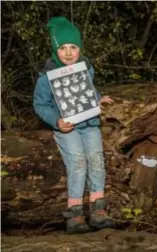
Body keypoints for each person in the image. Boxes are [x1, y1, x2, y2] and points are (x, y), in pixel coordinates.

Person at [33, 16, 115, 234]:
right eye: (63, 48)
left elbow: (87, 91)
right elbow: (40, 105)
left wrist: (97, 99)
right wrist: (56, 121)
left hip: (89, 125)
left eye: (73, 47)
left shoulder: (86, 68)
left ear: (80, 48)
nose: (68, 53)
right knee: (78, 163)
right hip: (67, 127)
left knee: (97, 161)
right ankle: (75, 213)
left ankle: (98, 210)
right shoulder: (46, 76)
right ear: (54, 50)